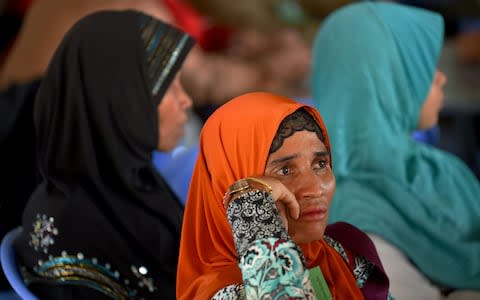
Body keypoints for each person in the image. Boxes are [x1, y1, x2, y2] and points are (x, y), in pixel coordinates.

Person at [13, 10, 194, 299]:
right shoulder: (76, 236)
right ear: (122, 103)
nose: (186, 100)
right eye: (170, 88)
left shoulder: (131, 185)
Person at [311, 2, 480, 299]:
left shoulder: (433, 167)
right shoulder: (351, 216)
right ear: (383, 80)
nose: (441, 78)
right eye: (423, 66)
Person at [177, 92, 392, 299]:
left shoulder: (342, 252)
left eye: (320, 164)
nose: (316, 189)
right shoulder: (223, 291)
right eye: (286, 171)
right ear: (231, 180)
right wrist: (253, 205)